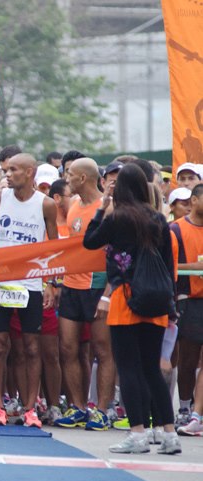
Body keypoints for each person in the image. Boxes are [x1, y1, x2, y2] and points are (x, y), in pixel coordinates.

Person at [83, 163, 180, 455]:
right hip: (156, 301)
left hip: (126, 299)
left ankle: (137, 435)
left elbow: (90, 241)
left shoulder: (117, 218)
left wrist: (102, 208)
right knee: (152, 369)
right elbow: (167, 265)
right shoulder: (159, 219)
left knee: (128, 368)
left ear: (119, 188)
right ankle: (170, 434)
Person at [0, 153, 58, 428]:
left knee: (31, 347)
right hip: (0, 282)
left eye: (13, 170)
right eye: (6, 170)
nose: (7, 174)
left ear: (30, 172)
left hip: (31, 284)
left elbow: (54, 248)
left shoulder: (46, 205)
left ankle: (30, 408)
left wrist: (50, 284)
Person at [56, 158, 116, 431]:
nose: (66, 178)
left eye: (70, 174)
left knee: (102, 350)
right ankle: (79, 407)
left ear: (83, 178)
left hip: (97, 285)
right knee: (68, 348)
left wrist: (107, 293)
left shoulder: (108, 207)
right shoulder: (72, 205)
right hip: (71, 285)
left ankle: (102, 410)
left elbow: (116, 254)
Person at [171, 182, 203, 430]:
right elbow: (169, 267)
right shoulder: (176, 229)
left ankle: (197, 412)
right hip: (187, 300)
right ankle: (184, 405)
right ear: (193, 200)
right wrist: (195, 267)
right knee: (188, 358)